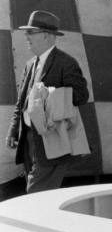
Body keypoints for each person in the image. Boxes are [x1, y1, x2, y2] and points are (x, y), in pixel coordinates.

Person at [5, 10, 89, 193]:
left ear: (46, 36)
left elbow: (82, 95)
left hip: (53, 141)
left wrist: (51, 94)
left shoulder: (66, 63)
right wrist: (13, 130)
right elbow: (22, 103)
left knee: (35, 194)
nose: (26, 37)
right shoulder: (30, 64)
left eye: (31, 32)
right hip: (29, 141)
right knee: (38, 194)